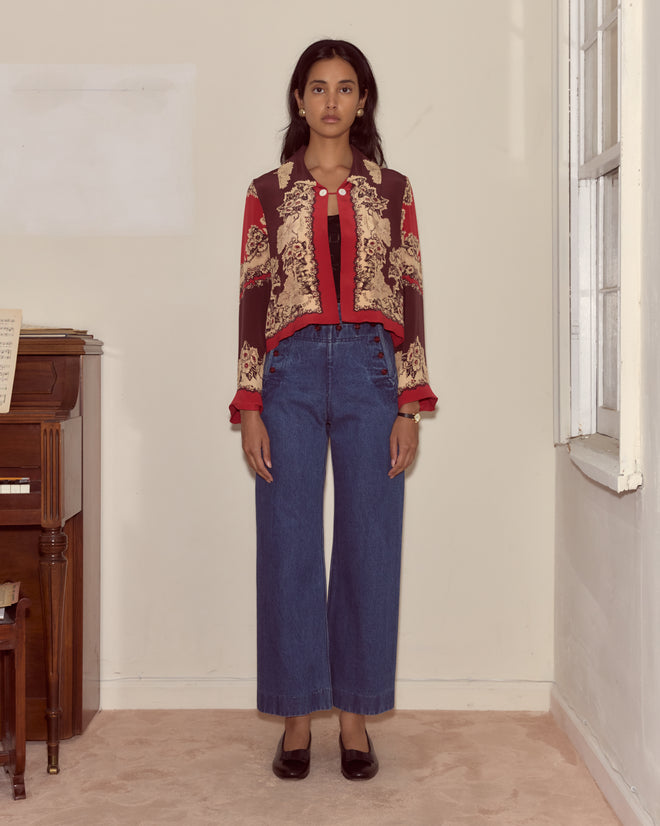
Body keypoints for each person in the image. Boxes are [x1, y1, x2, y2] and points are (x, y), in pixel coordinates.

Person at [229, 39, 437, 781]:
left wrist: (410, 401)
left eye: (345, 88)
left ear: (362, 101)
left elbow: (408, 292)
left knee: (369, 542)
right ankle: (295, 716)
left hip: (370, 372)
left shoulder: (394, 190)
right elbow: (254, 296)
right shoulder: (266, 191)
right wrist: (250, 399)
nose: (330, 101)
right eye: (317, 88)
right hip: (287, 372)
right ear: (298, 100)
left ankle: (353, 716)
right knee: (286, 544)